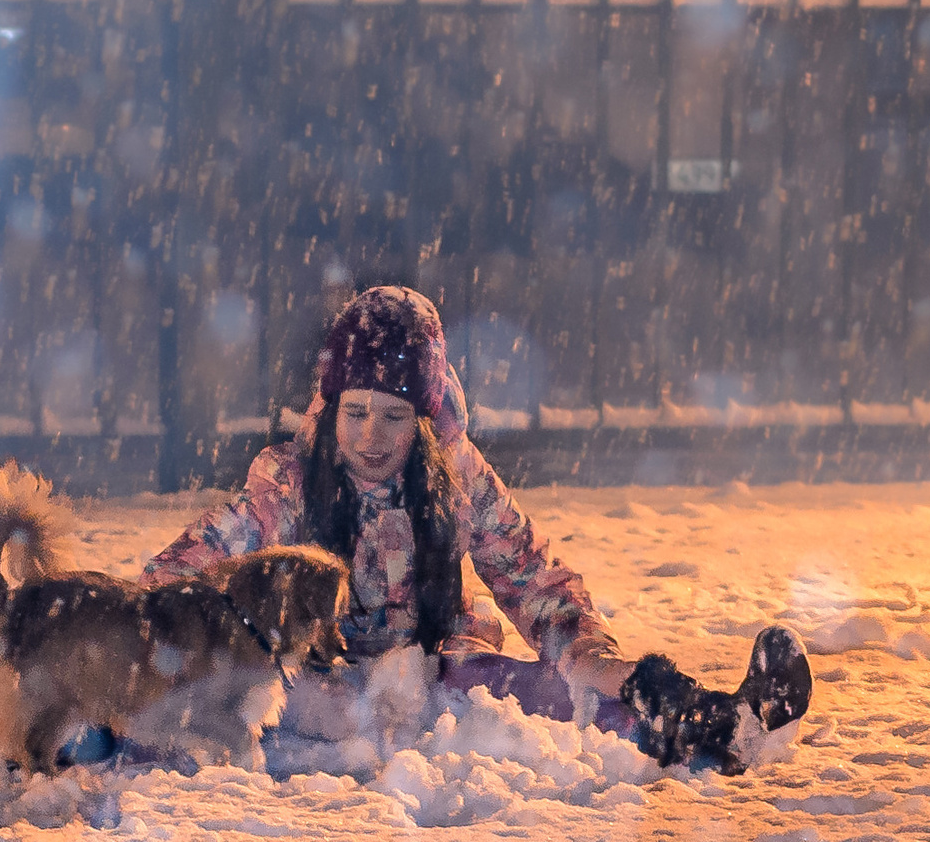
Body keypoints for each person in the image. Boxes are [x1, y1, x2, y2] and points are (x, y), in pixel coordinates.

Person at [136, 285, 810, 772]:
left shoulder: (455, 477)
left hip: (439, 668)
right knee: (218, 707)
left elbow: (529, 573)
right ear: (330, 408)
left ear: (426, 421)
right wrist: (239, 658)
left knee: (542, 690)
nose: (372, 437)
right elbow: (172, 579)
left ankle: (709, 725)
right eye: (356, 413)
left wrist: (593, 658)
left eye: (395, 417)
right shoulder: (285, 485)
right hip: (322, 685)